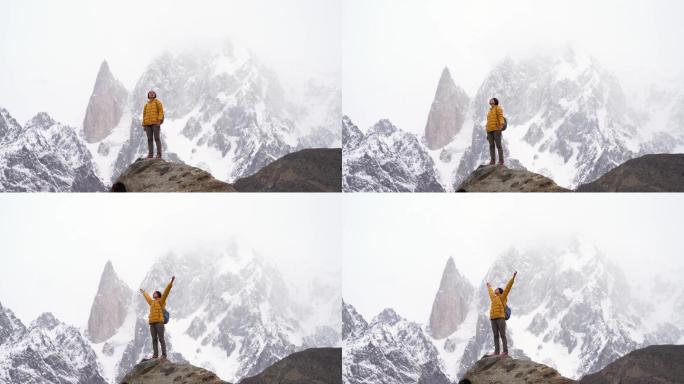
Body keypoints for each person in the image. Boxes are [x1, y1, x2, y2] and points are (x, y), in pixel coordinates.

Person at [140, 276, 174, 359]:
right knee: (154, 339)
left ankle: (164, 355)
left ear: (158, 295)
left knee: (161, 339)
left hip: (159, 322)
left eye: (155, 293)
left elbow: (166, 292)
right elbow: (147, 298)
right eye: (153, 293)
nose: (153, 294)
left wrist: (171, 283)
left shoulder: (161, 301)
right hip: (152, 323)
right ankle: (155, 355)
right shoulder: (151, 302)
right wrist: (144, 292)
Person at [486, 271, 516, 356]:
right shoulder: (493, 298)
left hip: (500, 318)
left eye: (497, 289)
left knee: (502, 335)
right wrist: (489, 287)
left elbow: (507, 288)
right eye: (495, 289)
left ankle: (505, 351)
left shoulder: (502, 297)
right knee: (495, 335)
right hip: (493, 319)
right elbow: (490, 292)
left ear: (500, 291)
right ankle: (497, 352)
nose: (495, 289)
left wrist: (512, 279)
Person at [142, 90, 165, 159]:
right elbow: (144, 114)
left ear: (155, 95)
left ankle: (159, 154)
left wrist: (159, 120)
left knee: (157, 138)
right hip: (147, 124)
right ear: (148, 95)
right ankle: (150, 154)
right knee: (149, 139)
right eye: (150, 93)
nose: (151, 94)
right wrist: (144, 124)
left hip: (155, 123)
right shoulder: (146, 105)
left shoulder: (157, 102)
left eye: (153, 93)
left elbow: (161, 111)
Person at [486, 97, 506, 165]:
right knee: (491, 146)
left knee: (498, 145)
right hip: (489, 130)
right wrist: (487, 131)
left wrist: (501, 125)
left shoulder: (498, 108)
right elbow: (488, 122)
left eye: (492, 100)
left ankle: (501, 161)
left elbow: (500, 116)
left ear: (495, 101)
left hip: (497, 129)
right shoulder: (489, 111)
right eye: (490, 100)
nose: (490, 100)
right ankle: (492, 161)